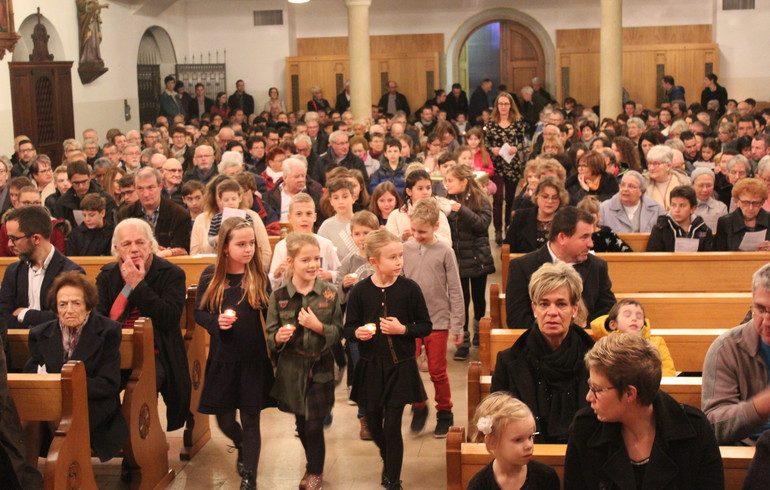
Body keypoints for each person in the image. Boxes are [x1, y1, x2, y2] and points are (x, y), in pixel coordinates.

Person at [564, 333, 724, 489]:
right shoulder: (585, 428)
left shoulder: (695, 430)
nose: (589, 396)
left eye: (597, 389)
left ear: (629, 393)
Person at [344, 230, 432, 490]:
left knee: (392, 425)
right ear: (374, 261)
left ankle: (392, 480)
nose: (399, 262)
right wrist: (357, 333)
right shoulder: (360, 291)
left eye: (400, 256)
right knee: (373, 423)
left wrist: (403, 329)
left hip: (400, 366)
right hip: (371, 367)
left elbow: (425, 325)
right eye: (392, 257)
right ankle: (389, 455)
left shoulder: (409, 289)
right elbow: (348, 328)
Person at [195, 218, 274, 490]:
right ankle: (239, 442)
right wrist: (215, 323)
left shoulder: (259, 277)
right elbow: (199, 312)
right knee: (225, 419)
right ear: (225, 247)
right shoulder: (211, 276)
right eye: (241, 244)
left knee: (252, 418)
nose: (248, 249)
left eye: (251, 243)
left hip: (253, 361)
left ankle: (249, 477)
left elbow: (272, 317)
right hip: (223, 359)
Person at [95, 218, 191, 432]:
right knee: (95, 386)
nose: (134, 249)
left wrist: (137, 285)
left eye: (140, 242)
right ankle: (109, 436)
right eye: (127, 244)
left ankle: (140, 443)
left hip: (156, 352)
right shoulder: (107, 275)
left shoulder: (171, 274)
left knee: (139, 388)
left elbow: (168, 318)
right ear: (117, 248)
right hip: (115, 350)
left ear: (151, 245)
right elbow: (99, 317)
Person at [25, 271, 129, 463]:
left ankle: (69, 473)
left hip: (93, 403)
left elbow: (109, 383)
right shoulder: (40, 334)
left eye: (76, 303)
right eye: (62, 304)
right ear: (55, 309)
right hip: (51, 402)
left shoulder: (108, 331)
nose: (69, 310)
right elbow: (30, 372)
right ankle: (28, 476)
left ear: (88, 305)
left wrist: (66, 387)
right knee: (30, 416)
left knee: (60, 415)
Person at [266, 233, 343, 490]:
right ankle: (312, 464)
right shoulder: (278, 296)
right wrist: (278, 337)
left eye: (316, 259)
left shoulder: (330, 293)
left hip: (320, 366)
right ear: (290, 261)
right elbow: (270, 335)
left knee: (313, 424)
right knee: (301, 423)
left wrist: (319, 326)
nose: (312, 265)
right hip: (292, 368)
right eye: (305, 260)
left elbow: (339, 332)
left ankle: (314, 471)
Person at [493, 262, 595, 443]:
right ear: (534, 309)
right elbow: (497, 423)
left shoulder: (597, 359)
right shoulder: (509, 361)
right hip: (527, 460)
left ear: (574, 309)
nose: (552, 312)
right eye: (544, 304)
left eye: (561, 304)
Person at [403, 199, 464, 437]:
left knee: (437, 371)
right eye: (414, 230)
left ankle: (445, 412)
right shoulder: (406, 248)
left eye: (423, 231)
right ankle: (419, 405)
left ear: (436, 226)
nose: (417, 235)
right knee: (408, 367)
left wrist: (458, 324)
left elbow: (456, 290)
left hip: (438, 320)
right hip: (411, 322)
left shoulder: (445, 251)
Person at [506, 207, 616, 330]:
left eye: (591, 236)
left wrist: (577, 337)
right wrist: (553, 335)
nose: (591, 244)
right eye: (584, 237)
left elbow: (607, 312)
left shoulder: (597, 266)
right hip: (537, 345)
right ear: (562, 238)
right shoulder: (522, 267)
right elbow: (517, 319)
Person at [702, 262, 770, 445]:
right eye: (761, 309)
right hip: (750, 452)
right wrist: (759, 406)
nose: (767, 322)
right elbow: (713, 427)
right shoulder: (727, 348)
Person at [0, 206, 84, 343]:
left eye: (14, 238)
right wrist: (42, 318)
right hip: (17, 348)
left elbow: (67, 319)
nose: (9, 244)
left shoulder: (71, 273)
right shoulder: (12, 271)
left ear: (36, 239)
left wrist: (24, 313)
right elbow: (3, 317)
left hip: (57, 349)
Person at [445, 164, 495, 358]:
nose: (446, 185)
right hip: (457, 259)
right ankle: (463, 341)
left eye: (450, 181)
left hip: (477, 257)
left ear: (464, 181)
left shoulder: (481, 199)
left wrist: (461, 209)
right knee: (461, 301)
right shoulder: (447, 201)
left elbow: (483, 225)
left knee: (479, 298)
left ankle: (479, 333)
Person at [468, 392, 560, 490]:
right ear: (492, 442)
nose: (529, 445)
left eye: (530, 437)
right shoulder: (480, 485)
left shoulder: (545, 477)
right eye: (518, 440)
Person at [268, 193, 340, 291]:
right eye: (299, 214)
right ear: (289, 218)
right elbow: (272, 283)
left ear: (314, 217)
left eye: (308, 214)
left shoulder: (326, 244)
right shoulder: (281, 247)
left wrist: (328, 275)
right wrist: (277, 274)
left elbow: (339, 273)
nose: (304, 219)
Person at [484, 92, 529, 244]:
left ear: (511, 105)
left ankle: (508, 227)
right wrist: (493, 149)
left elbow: (524, 142)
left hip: (512, 164)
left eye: (506, 104)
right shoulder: (491, 122)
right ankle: (497, 230)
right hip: (496, 165)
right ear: (497, 106)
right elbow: (486, 143)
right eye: (501, 104)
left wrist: (516, 148)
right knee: (497, 199)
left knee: (510, 199)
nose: (503, 107)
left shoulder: (517, 121)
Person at [589, 299, 676, 376]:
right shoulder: (604, 344)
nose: (634, 318)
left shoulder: (656, 343)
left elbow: (667, 371)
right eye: (627, 315)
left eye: (639, 316)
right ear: (613, 324)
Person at [117, 167, 191, 256]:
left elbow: (183, 250)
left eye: (150, 188)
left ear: (160, 186)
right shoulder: (124, 214)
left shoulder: (179, 215)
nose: (146, 194)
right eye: (140, 188)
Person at [386, 168, 451, 246]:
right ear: (409, 191)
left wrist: (430, 235)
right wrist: (403, 237)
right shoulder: (396, 215)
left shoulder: (439, 214)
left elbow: (447, 243)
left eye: (428, 188)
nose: (425, 192)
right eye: (420, 189)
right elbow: (388, 244)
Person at [504, 177, 569, 253]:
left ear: (560, 199)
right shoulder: (520, 217)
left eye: (555, 198)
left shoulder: (567, 221)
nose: (550, 201)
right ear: (536, 196)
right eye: (545, 196)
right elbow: (507, 251)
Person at [647, 185, 714, 252]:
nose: (677, 210)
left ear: (692, 209)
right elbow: (653, 258)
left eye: (682, 206)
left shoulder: (704, 230)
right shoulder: (660, 229)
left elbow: (708, 259)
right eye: (673, 205)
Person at [599, 171, 665, 233]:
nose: (625, 189)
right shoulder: (604, 209)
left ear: (641, 192)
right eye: (623, 185)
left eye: (631, 186)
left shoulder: (657, 209)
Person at [715, 178, 770, 251]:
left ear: (762, 203)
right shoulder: (726, 222)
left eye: (755, 203)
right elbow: (719, 252)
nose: (750, 208)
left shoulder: (768, 219)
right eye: (746, 203)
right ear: (738, 202)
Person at [691, 167, 728, 231]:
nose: (705, 190)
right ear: (692, 185)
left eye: (709, 185)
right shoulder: (686, 206)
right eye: (701, 185)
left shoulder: (721, 208)